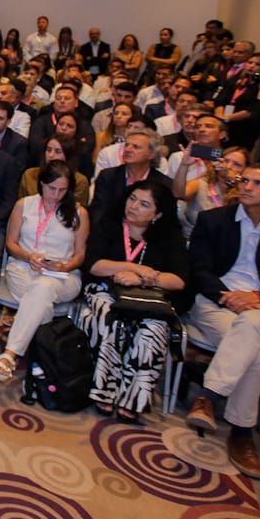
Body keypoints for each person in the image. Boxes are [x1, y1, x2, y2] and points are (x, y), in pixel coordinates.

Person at [185, 164, 260, 479]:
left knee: (251, 325)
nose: (247, 186)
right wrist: (228, 296)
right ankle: (241, 434)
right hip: (217, 304)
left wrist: (259, 298)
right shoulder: (213, 221)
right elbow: (198, 270)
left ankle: (208, 395)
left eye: (257, 182)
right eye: (244, 180)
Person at [77, 180, 188, 422]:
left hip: (148, 297)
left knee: (155, 328)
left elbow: (179, 280)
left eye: (144, 204)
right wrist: (135, 268)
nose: (134, 206)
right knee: (111, 317)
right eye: (132, 199)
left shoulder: (169, 236)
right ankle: (105, 390)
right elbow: (94, 265)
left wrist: (147, 279)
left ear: (157, 214)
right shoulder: (109, 224)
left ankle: (134, 398)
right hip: (105, 289)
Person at [0, 160, 89, 382]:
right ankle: (38, 359)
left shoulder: (79, 212)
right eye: (52, 188)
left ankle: (10, 353)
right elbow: (11, 245)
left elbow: (80, 255)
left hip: (62, 276)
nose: (56, 194)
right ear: (42, 184)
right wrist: (28, 256)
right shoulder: (24, 205)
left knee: (41, 288)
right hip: (23, 267)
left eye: (63, 190)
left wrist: (66, 265)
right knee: (39, 297)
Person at [89, 129, 171, 225]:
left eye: (136, 147)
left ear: (151, 154)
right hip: (110, 234)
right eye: (126, 145)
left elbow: (166, 223)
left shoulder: (163, 183)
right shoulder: (108, 176)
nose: (127, 149)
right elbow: (98, 215)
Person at [174, 145, 247, 238]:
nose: (228, 167)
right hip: (193, 241)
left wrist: (237, 182)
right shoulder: (201, 184)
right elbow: (178, 193)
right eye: (226, 161)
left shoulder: (244, 193)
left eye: (237, 165)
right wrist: (184, 165)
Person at [20, 136, 91, 207]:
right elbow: (21, 205)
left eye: (58, 151)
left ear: (68, 156)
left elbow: (76, 210)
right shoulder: (30, 175)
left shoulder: (80, 181)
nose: (51, 155)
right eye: (48, 150)